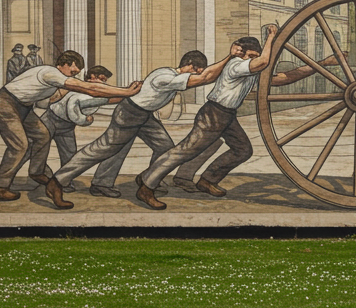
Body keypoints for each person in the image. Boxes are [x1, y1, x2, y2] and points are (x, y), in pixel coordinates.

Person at [133, 26, 326, 210]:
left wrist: (321, 65)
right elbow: (262, 63)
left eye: (255, 57)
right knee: (184, 151)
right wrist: (271, 38)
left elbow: (283, 78)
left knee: (243, 150)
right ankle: (146, 186)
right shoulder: (236, 65)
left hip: (227, 116)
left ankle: (207, 180)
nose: (253, 60)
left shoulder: (250, 70)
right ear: (242, 54)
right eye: (250, 56)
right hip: (213, 114)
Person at [0, 50, 141, 202]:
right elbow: (89, 88)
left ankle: (36, 171)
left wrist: (117, 94)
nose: (74, 75)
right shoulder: (50, 73)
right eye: (73, 71)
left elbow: (51, 99)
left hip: (22, 107)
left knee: (41, 134)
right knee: (16, 145)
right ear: (63, 64)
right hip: (6, 103)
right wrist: (126, 92)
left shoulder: (54, 81)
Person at [45, 51, 228, 208]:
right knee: (102, 149)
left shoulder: (170, 76)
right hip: (130, 113)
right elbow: (204, 79)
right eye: (196, 70)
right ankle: (57, 181)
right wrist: (229, 58)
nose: (196, 74)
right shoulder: (164, 76)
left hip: (145, 116)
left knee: (165, 147)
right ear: (189, 65)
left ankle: (145, 180)